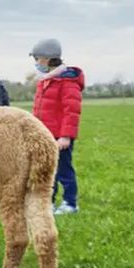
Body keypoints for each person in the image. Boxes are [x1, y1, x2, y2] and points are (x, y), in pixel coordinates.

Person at [29, 38, 84, 215]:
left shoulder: (67, 82)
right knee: (46, 170)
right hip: (44, 134)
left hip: (60, 137)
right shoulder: (45, 80)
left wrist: (66, 136)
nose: (36, 63)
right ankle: (49, 202)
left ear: (46, 59)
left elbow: (72, 111)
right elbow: (39, 109)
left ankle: (70, 203)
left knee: (63, 170)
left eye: (37, 59)